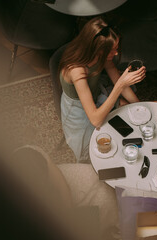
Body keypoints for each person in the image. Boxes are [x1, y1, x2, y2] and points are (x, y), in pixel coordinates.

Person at [58, 17, 146, 163]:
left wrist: (141, 107)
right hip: (81, 112)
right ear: (98, 50)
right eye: (113, 50)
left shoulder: (101, 55)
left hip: (95, 94)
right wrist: (119, 86)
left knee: (128, 111)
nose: (116, 53)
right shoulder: (77, 71)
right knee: (106, 147)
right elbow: (95, 120)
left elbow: (117, 80)